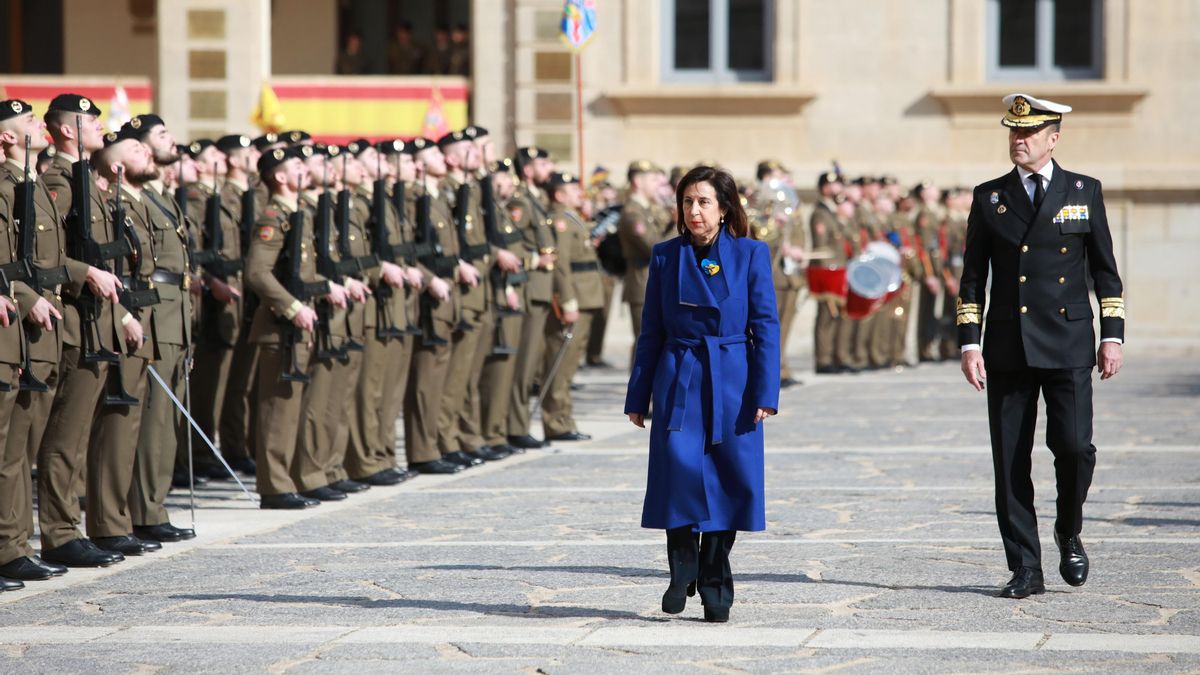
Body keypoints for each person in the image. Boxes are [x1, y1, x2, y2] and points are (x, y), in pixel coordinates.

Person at [958, 93, 1124, 599]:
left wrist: (1112, 336)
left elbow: (1104, 272)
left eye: (1028, 134)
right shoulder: (990, 198)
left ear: (1053, 139)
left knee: (1074, 447)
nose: (1019, 140)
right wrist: (969, 343)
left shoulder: (1083, 191)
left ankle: (1068, 528)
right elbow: (972, 281)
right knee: (1010, 460)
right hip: (1009, 345)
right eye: (1013, 132)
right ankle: (1025, 567)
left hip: (1069, 341)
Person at [624, 165, 780, 623]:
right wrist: (638, 395)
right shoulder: (665, 256)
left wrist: (765, 390)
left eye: (704, 202)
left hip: (732, 377)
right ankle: (682, 567)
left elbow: (765, 326)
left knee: (729, 482)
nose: (694, 211)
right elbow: (650, 330)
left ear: (725, 207)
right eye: (687, 202)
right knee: (678, 471)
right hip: (680, 375)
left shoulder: (751, 254)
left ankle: (713, 578)